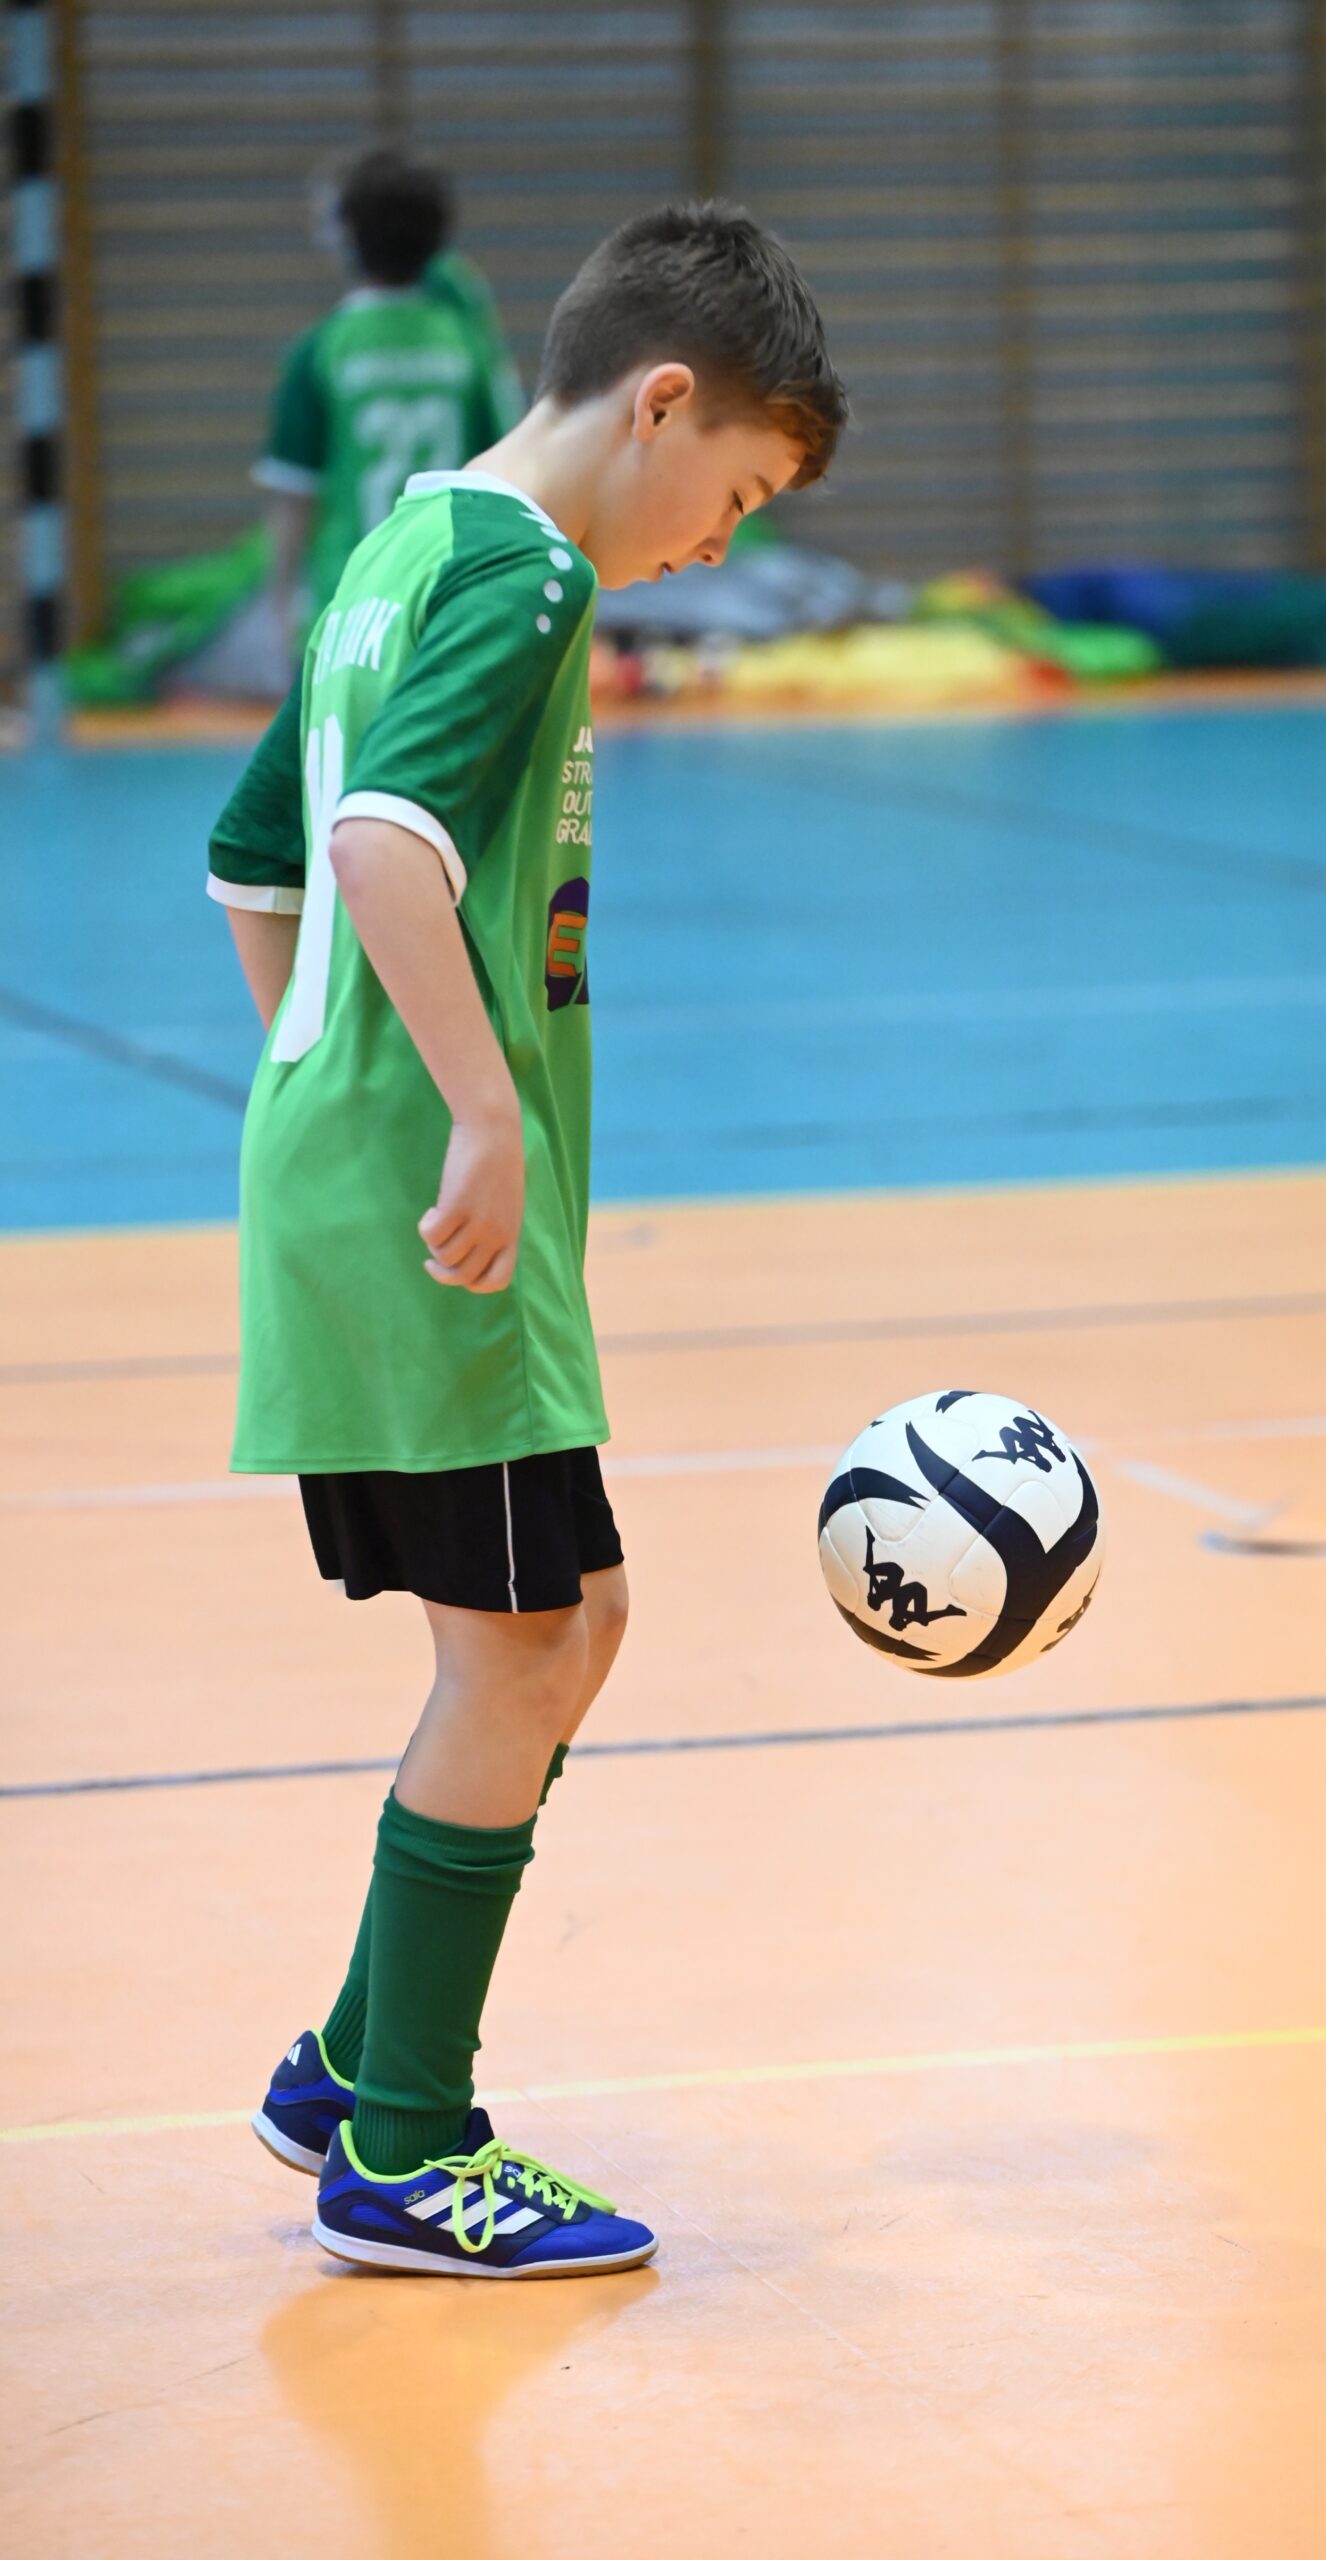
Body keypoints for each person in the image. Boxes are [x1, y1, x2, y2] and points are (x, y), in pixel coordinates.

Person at [207, 201, 848, 2277]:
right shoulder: (526, 567)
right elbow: (375, 839)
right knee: (517, 1645)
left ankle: (349, 2061)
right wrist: (461, 1109)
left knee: (575, 1618)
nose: (719, 546)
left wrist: (317, 1075)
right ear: (660, 404)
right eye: (734, 493)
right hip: (432, 1202)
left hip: (374, 1178)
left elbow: (251, 852)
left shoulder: (399, 544)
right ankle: (405, 2147)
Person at [255, 148, 524, 661]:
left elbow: (293, 494)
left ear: (347, 236)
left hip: (350, 602)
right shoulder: (469, 345)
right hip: (449, 596)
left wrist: (282, 598)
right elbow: (508, 469)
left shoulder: (321, 350)